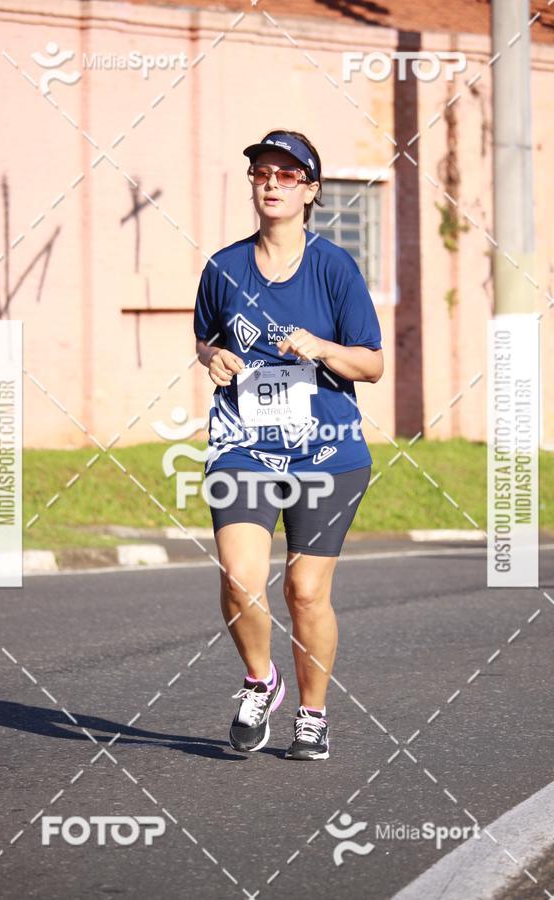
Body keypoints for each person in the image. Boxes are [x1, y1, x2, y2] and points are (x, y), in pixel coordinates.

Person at [193, 129, 384, 760]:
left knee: (304, 591)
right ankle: (259, 680)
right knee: (241, 579)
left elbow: (372, 365)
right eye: (262, 174)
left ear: (311, 191)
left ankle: (312, 714)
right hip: (244, 443)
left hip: (326, 450)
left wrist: (324, 348)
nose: (272, 183)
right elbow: (205, 339)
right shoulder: (223, 268)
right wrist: (213, 356)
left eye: (287, 175)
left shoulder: (335, 267)